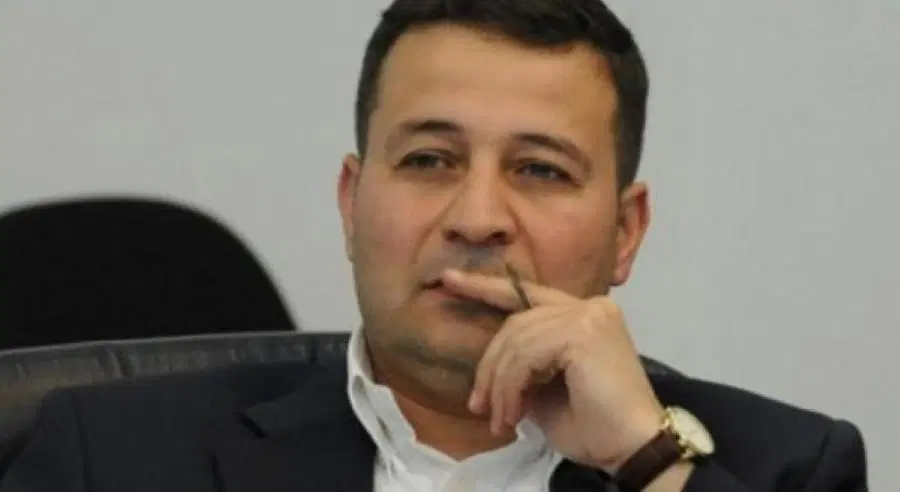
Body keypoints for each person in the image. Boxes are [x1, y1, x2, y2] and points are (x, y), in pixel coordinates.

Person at [0, 0, 867, 491]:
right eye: (428, 160)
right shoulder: (111, 457)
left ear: (625, 233)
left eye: (539, 169)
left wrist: (647, 465)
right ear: (352, 203)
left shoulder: (788, 468)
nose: (477, 217)